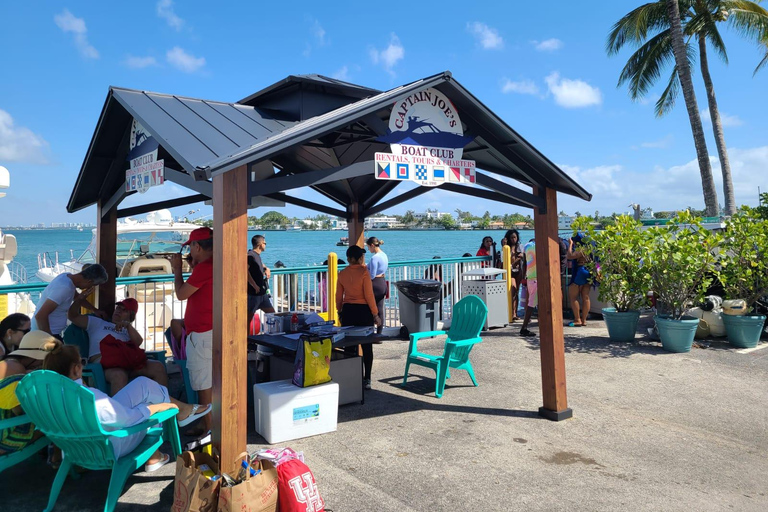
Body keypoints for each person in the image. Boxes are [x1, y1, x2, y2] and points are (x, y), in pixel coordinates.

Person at [42, 340, 211, 472]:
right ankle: (174, 422)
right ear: (77, 369)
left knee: (143, 384)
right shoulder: (90, 398)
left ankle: (176, 419)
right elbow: (128, 419)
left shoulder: (48, 397)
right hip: (108, 446)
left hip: (75, 447)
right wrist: (157, 408)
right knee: (149, 406)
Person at [67, 295, 168, 395]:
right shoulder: (97, 323)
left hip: (127, 363)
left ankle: (163, 404)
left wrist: (128, 326)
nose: (119, 311)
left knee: (158, 367)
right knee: (119, 375)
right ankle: (120, 410)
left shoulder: (128, 330)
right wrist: (79, 300)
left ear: (131, 316)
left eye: (124, 310)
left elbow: (138, 342)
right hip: (105, 363)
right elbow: (72, 316)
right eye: (118, 308)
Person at [172, 227, 213, 431]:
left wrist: (177, 270)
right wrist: (193, 266)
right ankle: (212, 427)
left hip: (203, 335)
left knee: (204, 386)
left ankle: (209, 431)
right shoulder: (211, 265)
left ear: (197, 246)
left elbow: (181, 294)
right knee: (213, 383)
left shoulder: (205, 268)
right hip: (211, 332)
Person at [336, 245, 382, 390]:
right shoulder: (364, 272)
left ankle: (350, 378)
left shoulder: (342, 273)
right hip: (363, 312)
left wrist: (339, 310)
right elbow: (369, 295)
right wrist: (375, 314)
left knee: (349, 346)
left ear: (349, 259)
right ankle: (367, 379)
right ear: (359, 258)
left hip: (348, 311)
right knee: (367, 346)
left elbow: (338, 296)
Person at [0, 331, 50, 456]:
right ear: (34, 357)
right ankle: (58, 458)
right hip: (4, 438)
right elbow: (20, 410)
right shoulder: (17, 370)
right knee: (55, 421)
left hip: (3, 428)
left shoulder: (8, 363)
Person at [32, 264, 109, 338]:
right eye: (93, 285)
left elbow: (76, 297)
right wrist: (50, 340)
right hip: (46, 334)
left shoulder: (67, 277)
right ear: (89, 281)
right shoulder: (64, 288)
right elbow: (40, 316)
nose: (90, 287)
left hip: (49, 333)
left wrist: (94, 310)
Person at [247, 235, 274, 330]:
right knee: (247, 320)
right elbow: (244, 270)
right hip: (253, 294)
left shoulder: (256, 256)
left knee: (273, 315)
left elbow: (259, 264)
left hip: (262, 294)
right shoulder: (250, 255)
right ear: (260, 244)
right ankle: (247, 342)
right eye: (264, 243)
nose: (266, 245)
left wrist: (266, 268)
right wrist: (254, 285)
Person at [567, 233, 592, 327]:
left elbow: (570, 256)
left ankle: (577, 319)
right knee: (585, 296)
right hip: (588, 271)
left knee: (573, 297)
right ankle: (584, 320)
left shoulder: (582, 249)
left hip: (581, 271)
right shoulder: (590, 248)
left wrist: (570, 244)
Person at [365, 237, 388, 334]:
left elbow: (372, 275)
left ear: (372, 245)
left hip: (375, 284)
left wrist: (366, 269)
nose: (368, 249)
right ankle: (379, 333)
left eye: (368, 247)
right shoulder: (384, 255)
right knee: (380, 309)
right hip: (382, 282)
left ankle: (370, 333)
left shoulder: (375, 257)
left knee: (370, 308)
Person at [502, 230, 525, 322]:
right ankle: (510, 312)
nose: (513, 239)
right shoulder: (506, 247)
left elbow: (522, 256)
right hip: (510, 272)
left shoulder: (520, 246)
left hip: (518, 271)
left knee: (516, 292)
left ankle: (515, 313)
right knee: (513, 288)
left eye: (515, 237)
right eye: (511, 237)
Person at [519, 239, 537, 337]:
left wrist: (523, 277)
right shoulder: (540, 246)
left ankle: (524, 327)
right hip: (537, 278)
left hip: (530, 277)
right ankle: (524, 328)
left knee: (532, 302)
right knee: (531, 304)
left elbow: (524, 263)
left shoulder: (527, 246)